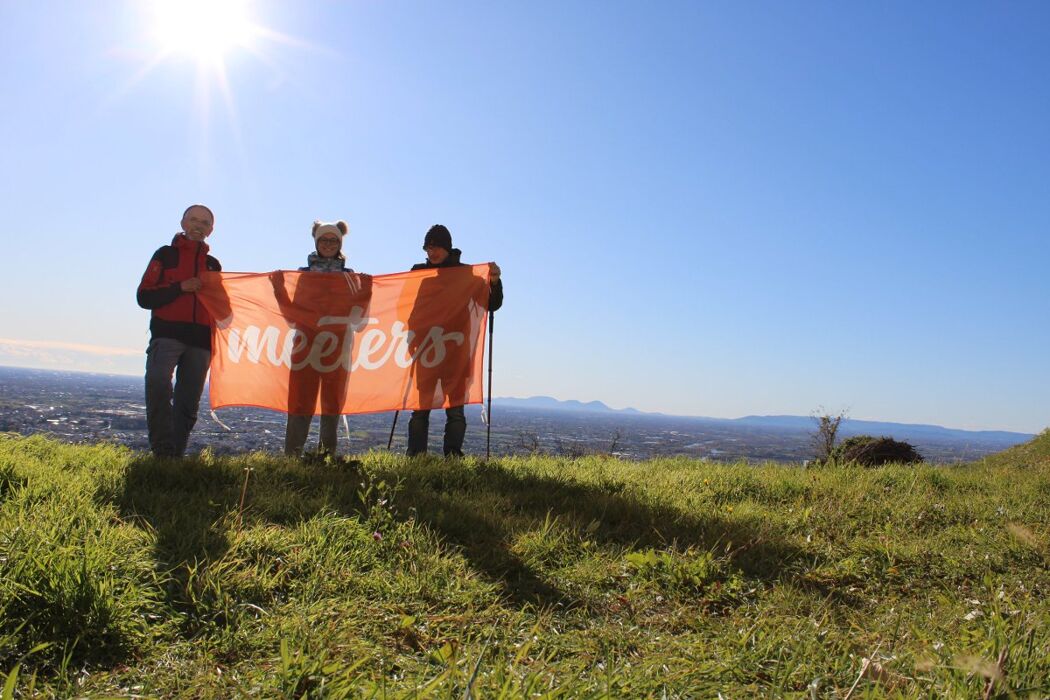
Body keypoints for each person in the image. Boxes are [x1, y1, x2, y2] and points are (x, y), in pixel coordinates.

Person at [271, 221, 372, 459]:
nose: (328, 244)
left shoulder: (350, 277)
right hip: (305, 346)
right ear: (316, 242)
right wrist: (280, 289)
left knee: (332, 402)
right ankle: (292, 457)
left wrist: (366, 291)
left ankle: (327, 456)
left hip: (338, 346)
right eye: (324, 240)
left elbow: (359, 321)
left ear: (340, 244)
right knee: (300, 400)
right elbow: (292, 317)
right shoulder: (302, 275)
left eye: (333, 240)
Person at [406, 224, 503, 457]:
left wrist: (495, 281)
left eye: (436, 247)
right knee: (420, 408)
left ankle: (452, 455)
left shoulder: (466, 275)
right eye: (428, 248)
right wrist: (411, 338)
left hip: (457, 350)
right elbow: (410, 308)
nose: (432, 252)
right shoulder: (419, 273)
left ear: (447, 248)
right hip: (427, 349)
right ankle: (416, 456)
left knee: (455, 409)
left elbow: (491, 304)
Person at [136, 204, 222, 458]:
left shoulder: (213, 264)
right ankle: (162, 451)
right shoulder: (165, 255)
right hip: (167, 335)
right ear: (183, 223)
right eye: (193, 220)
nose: (198, 225)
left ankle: (174, 457)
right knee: (157, 383)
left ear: (211, 230)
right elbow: (143, 297)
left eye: (204, 222)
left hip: (201, 341)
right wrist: (180, 287)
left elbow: (223, 308)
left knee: (188, 401)